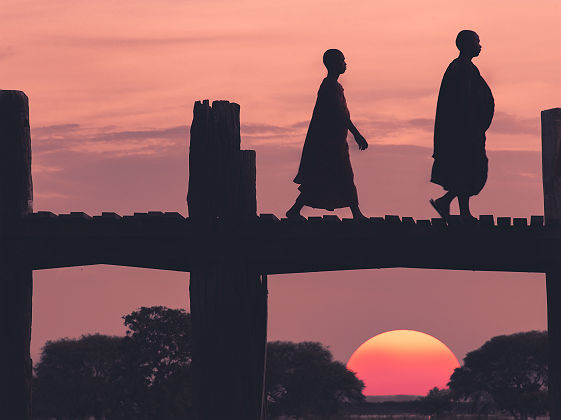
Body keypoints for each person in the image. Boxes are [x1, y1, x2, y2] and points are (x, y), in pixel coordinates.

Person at [287, 49, 368, 220]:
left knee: (325, 176)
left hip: (335, 140)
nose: (345, 64)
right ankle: (356, 213)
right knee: (341, 174)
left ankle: (295, 209)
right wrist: (357, 134)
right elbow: (340, 114)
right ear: (333, 64)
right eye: (342, 61)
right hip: (328, 143)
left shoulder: (334, 86)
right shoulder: (330, 86)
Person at [430, 30, 494, 222]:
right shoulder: (462, 68)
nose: (480, 46)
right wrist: (472, 125)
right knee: (471, 167)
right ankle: (451, 204)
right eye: (477, 42)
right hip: (464, 130)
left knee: (464, 169)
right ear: (466, 44)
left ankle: (456, 207)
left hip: (464, 129)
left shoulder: (463, 67)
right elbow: (464, 99)